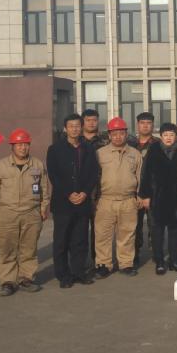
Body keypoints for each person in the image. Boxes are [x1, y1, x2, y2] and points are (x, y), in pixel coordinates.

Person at [0, 128, 50, 296]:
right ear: (12, 146)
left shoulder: (37, 165)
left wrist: (43, 209)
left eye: (25, 144)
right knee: (7, 250)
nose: (23, 148)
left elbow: (44, 189)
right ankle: (8, 282)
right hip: (7, 213)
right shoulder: (0, 166)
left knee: (29, 249)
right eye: (19, 144)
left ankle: (26, 278)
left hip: (31, 213)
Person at [47, 113, 99, 288]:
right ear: (65, 128)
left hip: (83, 202)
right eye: (71, 126)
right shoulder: (55, 149)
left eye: (77, 126)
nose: (75, 129)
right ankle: (63, 275)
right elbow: (54, 175)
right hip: (63, 203)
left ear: (81, 127)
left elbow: (93, 173)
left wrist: (85, 192)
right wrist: (69, 193)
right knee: (61, 241)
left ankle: (79, 272)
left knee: (80, 240)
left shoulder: (88, 148)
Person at [137, 123, 177, 274]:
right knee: (157, 232)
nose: (168, 138)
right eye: (165, 135)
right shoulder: (153, 151)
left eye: (171, 135)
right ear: (161, 136)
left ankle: (176, 261)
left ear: (176, 136)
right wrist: (145, 196)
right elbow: (145, 174)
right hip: (157, 198)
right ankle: (159, 261)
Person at [93, 117, 143, 278]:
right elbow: (94, 177)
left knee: (127, 233)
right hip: (105, 200)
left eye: (121, 133)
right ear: (109, 135)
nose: (118, 137)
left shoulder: (135, 154)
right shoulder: (100, 154)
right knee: (103, 234)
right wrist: (94, 198)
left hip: (128, 200)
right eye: (114, 134)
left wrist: (140, 195)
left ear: (126, 134)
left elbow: (140, 176)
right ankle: (103, 264)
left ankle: (126, 263)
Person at [129, 111, 158, 268]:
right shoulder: (129, 144)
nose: (145, 126)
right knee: (134, 225)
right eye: (142, 123)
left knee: (155, 224)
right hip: (133, 192)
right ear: (137, 125)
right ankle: (133, 255)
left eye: (148, 123)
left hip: (154, 192)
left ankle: (157, 254)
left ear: (153, 125)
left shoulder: (158, 144)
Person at [80, 108, 108, 271]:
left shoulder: (105, 140)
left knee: (100, 232)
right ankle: (81, 264)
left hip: (101, 192)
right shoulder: (76, 141)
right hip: (82, 192)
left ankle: (99, 262)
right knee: (80, 231)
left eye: (94, 120)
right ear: (83, 122)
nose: (91, 123)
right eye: (88, 120)